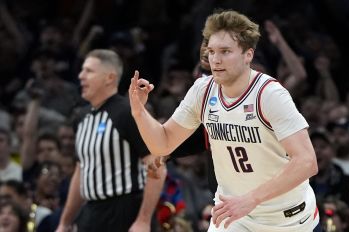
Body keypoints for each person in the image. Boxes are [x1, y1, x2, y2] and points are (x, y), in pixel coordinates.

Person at [129, 10, 319, 231]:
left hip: (285, 217)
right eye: (211, 51)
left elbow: (306, 162)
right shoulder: (202, 90)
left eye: (225, 51)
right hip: (232, 212)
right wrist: (139, 112)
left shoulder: (269, 95)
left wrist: (251, 199)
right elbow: (162, 144)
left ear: (248, 55)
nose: (215, 60)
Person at [56, 49, 166, 232]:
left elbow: (157, 165)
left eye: (89, 71)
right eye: (82, 70)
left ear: (109, 78)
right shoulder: (81, 117)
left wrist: (143, 220)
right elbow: (81, 170)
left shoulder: (127, 112)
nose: (81, 76)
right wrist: (64, 222)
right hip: (91, 211)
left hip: (124, 210)